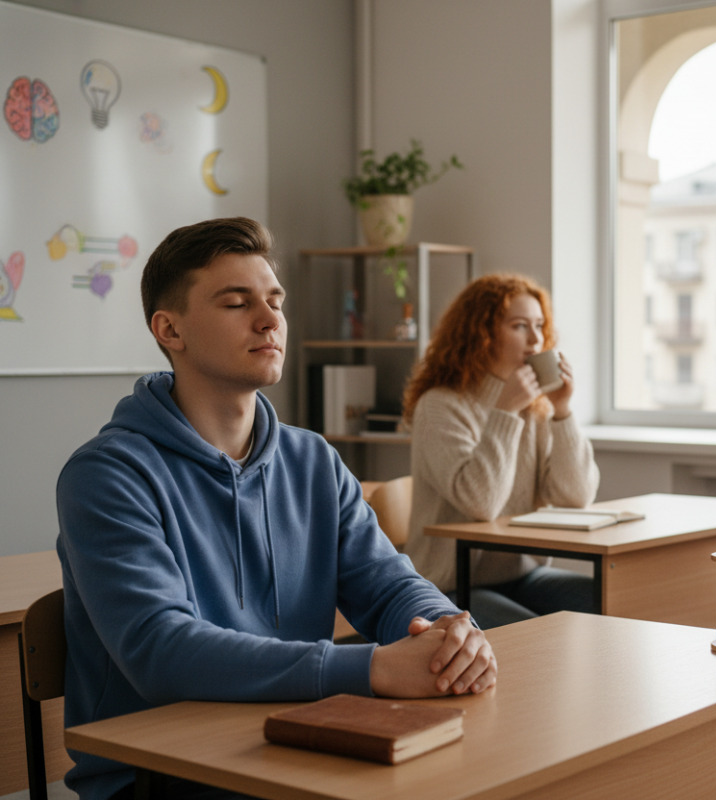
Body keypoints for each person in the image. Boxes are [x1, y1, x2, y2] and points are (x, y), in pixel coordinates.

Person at [56, 217, 496, 800]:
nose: (270, 320)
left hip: (292, 745)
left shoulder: (312, 459)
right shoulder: (107, 475)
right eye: (238, 303)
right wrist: (373, 669)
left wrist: (447, 633)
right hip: (160, 774)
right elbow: (161, 650)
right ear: (170, 330)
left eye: (275, 301)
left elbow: (388, 585)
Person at [403, 273, 600, 629]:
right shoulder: (440, 406)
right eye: (520, 326)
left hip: (522, 575)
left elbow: (577, 497)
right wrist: (505, 412)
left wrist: (563, 411)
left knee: (606, 600)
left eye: (539, 325)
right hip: (449, 584)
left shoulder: (536, 407)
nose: (537, 338)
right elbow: (482, 503)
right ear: (482, 332)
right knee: (543, 637)